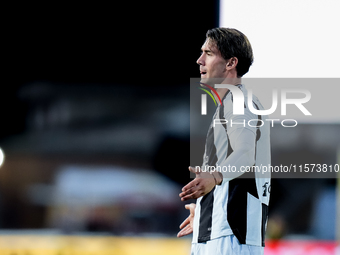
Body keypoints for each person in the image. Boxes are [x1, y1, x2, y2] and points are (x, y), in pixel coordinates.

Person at [177, 28, 271, 255]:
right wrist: (204, 209)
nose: (199, 60)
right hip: (218, 232)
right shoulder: (230, 104)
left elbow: (245, 153)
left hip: (230, 236)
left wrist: (214, 177)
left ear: (231, 63)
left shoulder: (239, 101)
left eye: (208, 53)